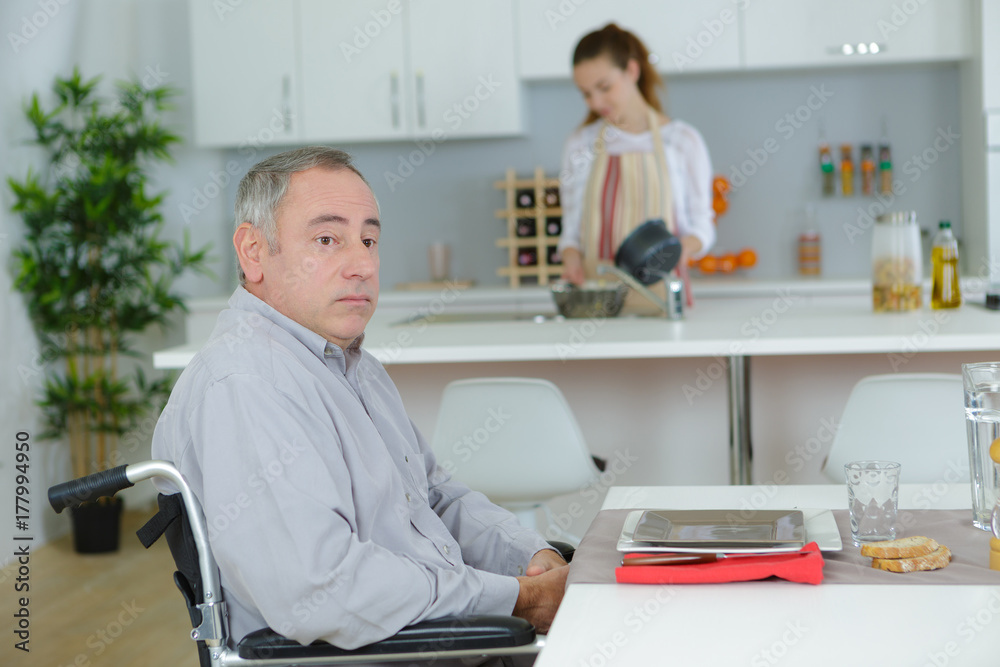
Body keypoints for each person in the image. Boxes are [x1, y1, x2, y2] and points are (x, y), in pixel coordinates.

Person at [151, 147, 567, 658]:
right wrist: (518, 600)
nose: (362, 264)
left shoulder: (351, 366)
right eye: (328, 239)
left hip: (433, 640)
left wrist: (529, 555)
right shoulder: (245, 383)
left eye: (369, 240)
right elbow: (320, 590)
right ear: (253, 252)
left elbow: (433, 498)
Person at [558, 23, 716, 294]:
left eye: (604, 87)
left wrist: (675, 253)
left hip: (663, 300)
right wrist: (571, 261)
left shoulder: (682, 141)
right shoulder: (580, 144)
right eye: (585, 93)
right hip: (598, 301)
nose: (595, 103)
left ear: (631, 70)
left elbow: (703, 226)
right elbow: (571, 232)